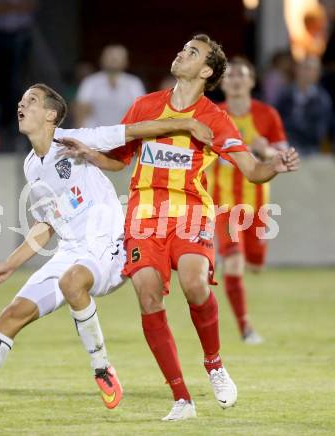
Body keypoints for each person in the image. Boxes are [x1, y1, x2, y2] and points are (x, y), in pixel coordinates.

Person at [0, 83, 214, 420]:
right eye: (21, 99)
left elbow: (136, 129)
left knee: (72, 282)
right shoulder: (32, 164)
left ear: (51, 115)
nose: (21, 104)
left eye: (31, 100)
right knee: (13, 313)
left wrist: (186, 124)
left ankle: (102, 369)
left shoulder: (76, 139)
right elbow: (46, 224)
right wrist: (10, 265)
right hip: (71, 251)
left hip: (110, 245)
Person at [60, 34, 299, 421]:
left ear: (206, 71)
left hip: (189, 212)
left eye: (192, 52)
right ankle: (182, 399)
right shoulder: (145, 105)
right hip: (144, 215)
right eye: (183, 48)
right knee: (148, 295)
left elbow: (253, 170)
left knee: (194, 284)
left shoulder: (214, 118)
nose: (180, 53)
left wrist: (276, 166)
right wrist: (90, 153)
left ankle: (215, 364)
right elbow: (121, 160)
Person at [208, 57, 289, 343]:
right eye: (230, 76)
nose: (236, 80)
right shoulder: (213, 114)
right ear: (222, 82)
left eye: (242, 74)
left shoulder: (267, 115)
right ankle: (246, 328)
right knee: (234, 262)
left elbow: (283, 155)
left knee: (255, 265)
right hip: (223, 205)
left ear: (252, 81)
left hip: (258, 206)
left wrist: (264, 150)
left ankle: (243, 267)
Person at [73, 45, 145, 127]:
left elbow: (141, 112)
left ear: (126, 62)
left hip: (124, 135)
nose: (113, 59)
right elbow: (81, 111)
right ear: (101, 59)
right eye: (109, 55)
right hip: (94, 135)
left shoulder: (134, 83)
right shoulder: (90, 82)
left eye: (118, 56)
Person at [276, 56, 332, 155]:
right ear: (297, 70)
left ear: (318, 74)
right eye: (306, 68)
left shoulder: (322, 99)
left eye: (314, 70)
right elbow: (276, 121)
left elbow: (320, 131)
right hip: (285, 149)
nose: (309, 73)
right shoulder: (284, 94)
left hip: (310, 150)